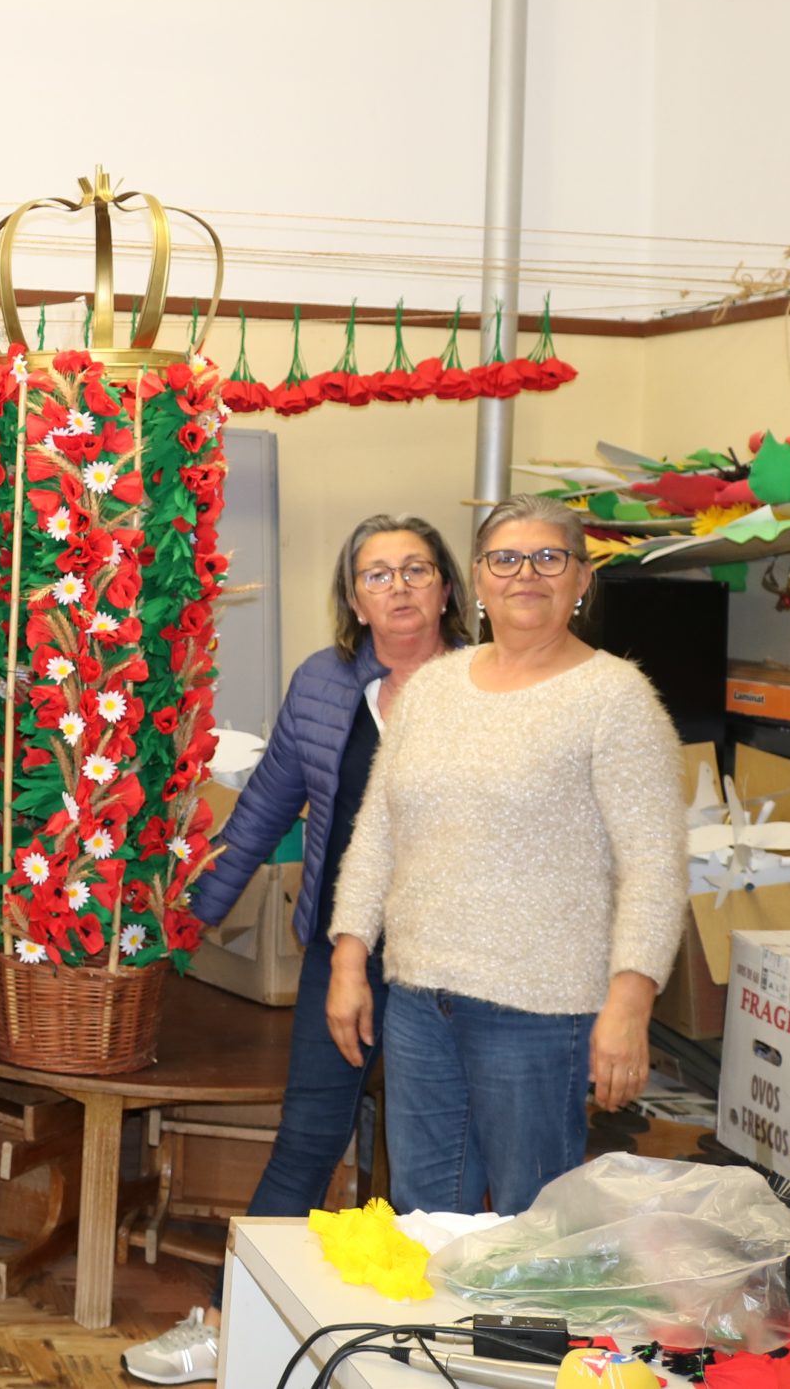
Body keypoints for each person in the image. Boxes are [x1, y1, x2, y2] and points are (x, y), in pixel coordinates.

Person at [326, 493, 685, 1215]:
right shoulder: (432, 688)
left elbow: (654, 865)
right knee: (424, 1218)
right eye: (506, 559)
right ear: (479, 579)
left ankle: (525, 1306)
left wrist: (631, 1001)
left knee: (533, 1223)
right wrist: (348, 958)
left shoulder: (615, 698)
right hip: (420, 1001)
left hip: (540, 1015)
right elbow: (378, 833)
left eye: (549, 557)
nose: (526, 574)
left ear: (581, 579)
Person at [192, 515, 471, 1217]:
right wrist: (189, 918)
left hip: (455, 959)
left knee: (442, 1158)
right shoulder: (322, 681)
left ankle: (424, 1287)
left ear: (445, 591)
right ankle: (249, 1289)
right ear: (354, 599)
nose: (398, 587)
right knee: (307, 1139)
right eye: (377, 574)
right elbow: (264, 808)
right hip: (341, 949)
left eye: (417, 570)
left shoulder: (488, 685)